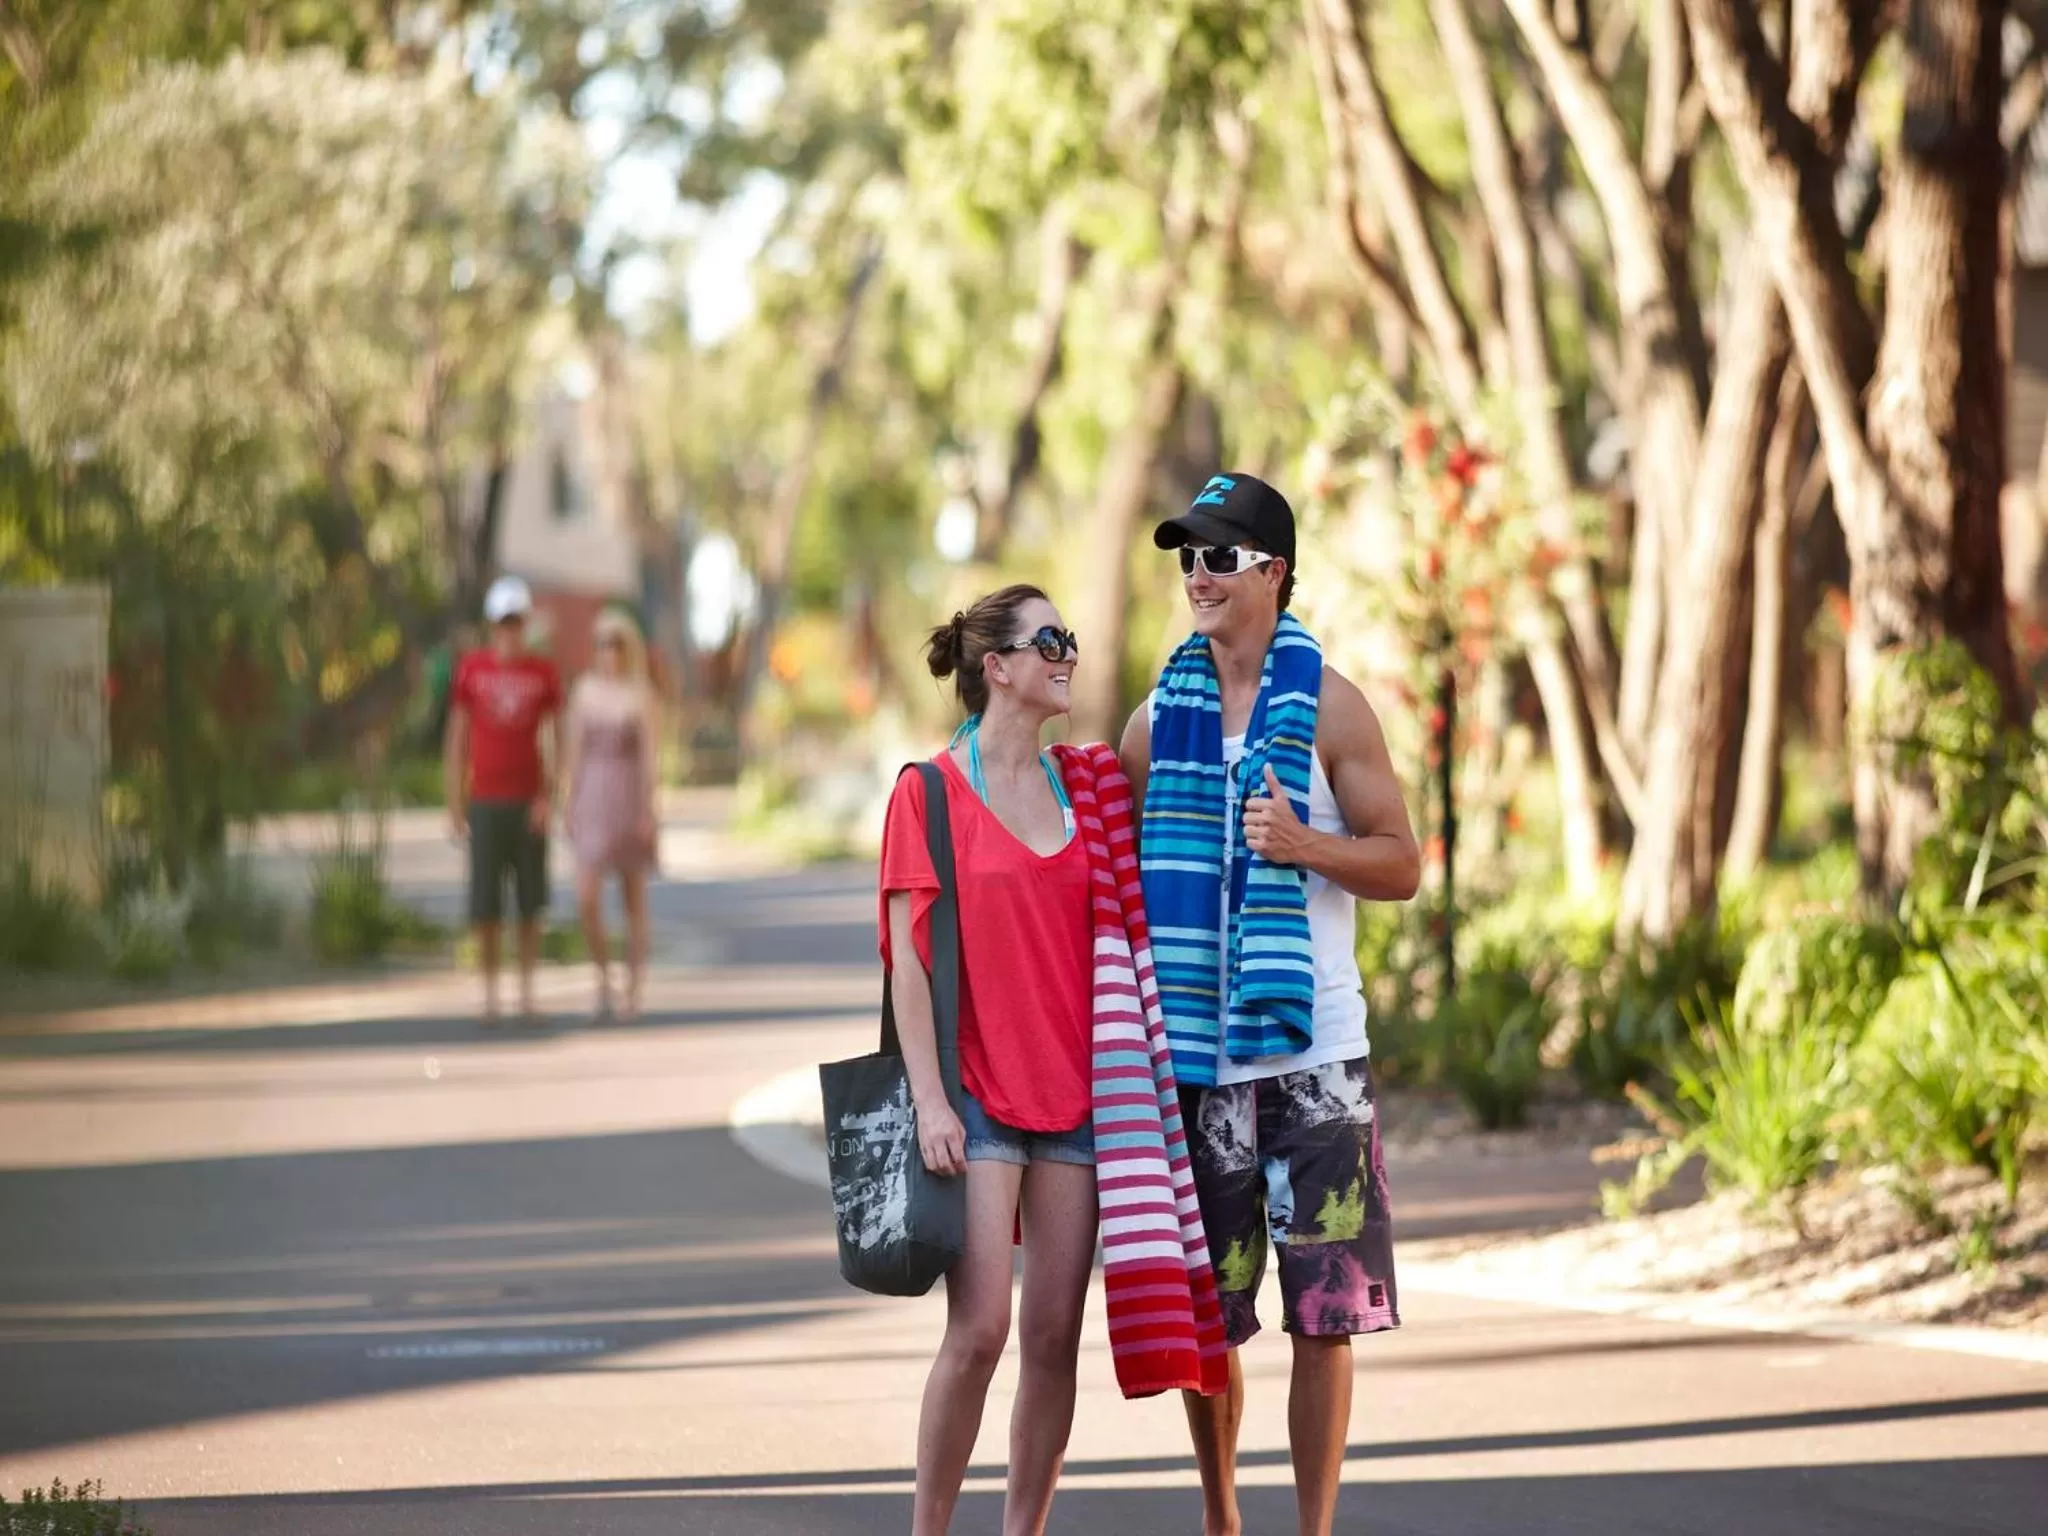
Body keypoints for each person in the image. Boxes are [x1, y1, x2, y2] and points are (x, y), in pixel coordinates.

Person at [1118, 473, 1422, 1536]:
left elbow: (1400, 863)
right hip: (1201, 1068)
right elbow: (1112, 886)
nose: (1194, 577)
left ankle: (1313, 1528)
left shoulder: (1333, 706)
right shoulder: (1155, 722)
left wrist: (1303, 846)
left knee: (1322, 1315)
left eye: (1216, 557)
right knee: (1212, 1323)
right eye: (1184, 559)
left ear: (1272, 573)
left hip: (1316, 1056)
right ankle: (1220, 1517)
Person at [880, 584, 1098, 1536]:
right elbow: (909, 965)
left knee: (1054, 1339)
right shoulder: (927, 793)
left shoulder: (1084, 790)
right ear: (996, 667)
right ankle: (929, 1527)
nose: (1067, 653)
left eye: (1072, 637)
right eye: (1048, 639)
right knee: (979, 1334)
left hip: (1079, 1094)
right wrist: (931, 1099)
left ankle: (1023, 1530)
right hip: (975, 1095)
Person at [444, 576, 563, 1027]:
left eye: (516, 622)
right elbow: (457, 738)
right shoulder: (472, 670)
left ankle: (527, 993)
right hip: (486, 802)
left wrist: (549, 796)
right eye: (502, 622)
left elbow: (556, 737)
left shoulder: (543, 674)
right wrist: (454, 802)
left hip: (528, 801)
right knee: (485, 906)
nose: (509, 631)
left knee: (530, 905)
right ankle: (490, 994)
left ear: (525, 623)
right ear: (492, 625)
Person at [563, 608, 660, 1021]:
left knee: (632, 898)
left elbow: (650, 757)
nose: (608, 652)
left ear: (627, 648)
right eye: (601, 643)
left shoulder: (640, 694)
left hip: (627, 797)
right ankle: (602, 976)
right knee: (586, 895)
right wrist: (568, 801)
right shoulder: (584, 692)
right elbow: (573, 751)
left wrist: (649, 810)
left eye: (615, 643)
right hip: (592, 797)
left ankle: (632, 988)